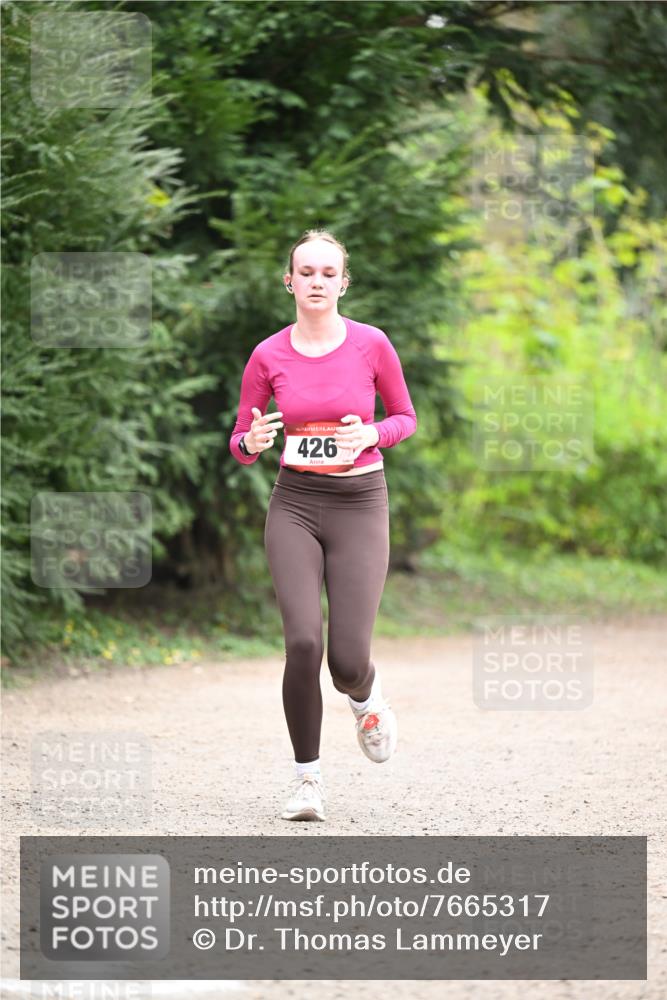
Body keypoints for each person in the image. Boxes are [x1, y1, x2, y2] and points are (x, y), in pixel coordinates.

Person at [229, 228, 417, 821]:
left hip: (360, 504)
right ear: (289, 282)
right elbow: (241, 438)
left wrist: (373, 434)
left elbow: (405, 417)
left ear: (343, 282)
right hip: (294, 503)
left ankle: (366, 697)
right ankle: (307, 781)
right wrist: (250, 443)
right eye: (306, 272)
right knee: (303, 643)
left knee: (347, 661)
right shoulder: (268, 355)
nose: (317, 282)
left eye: (328, 273)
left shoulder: (371, 344)